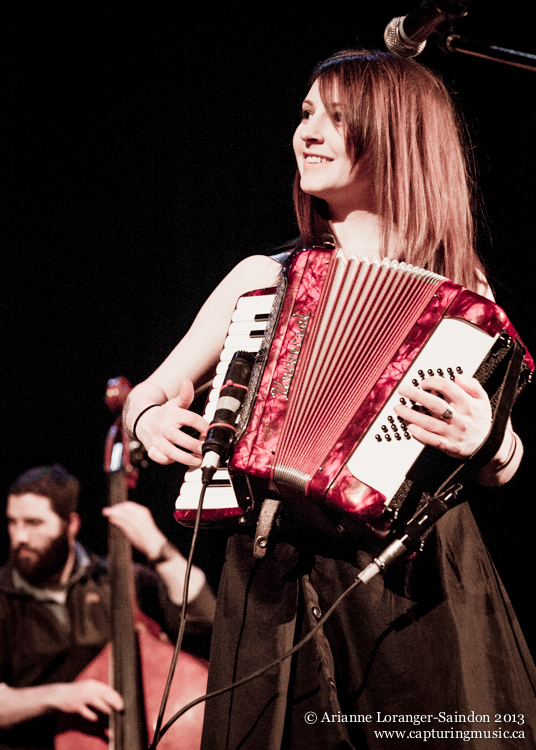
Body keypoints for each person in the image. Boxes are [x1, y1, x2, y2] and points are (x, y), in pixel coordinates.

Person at [122, 50, 536, 749]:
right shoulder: (261, 278)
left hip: (406, 578)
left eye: (337, 119)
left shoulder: (462, 292)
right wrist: (151, 419)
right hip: (272, 572)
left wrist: (487, 439)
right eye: (306, 113)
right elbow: (150, 391)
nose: (307, 133)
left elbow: (505, 458)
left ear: (398, 138)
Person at [0, 464, 215, 750]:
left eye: (33, 523)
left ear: (71, 524)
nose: (20, 537)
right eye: (13, 522)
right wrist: (59, 696)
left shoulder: (121, 580)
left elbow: (207, 622)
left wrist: (158, 548)